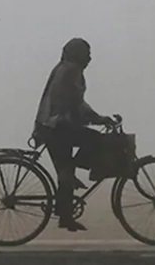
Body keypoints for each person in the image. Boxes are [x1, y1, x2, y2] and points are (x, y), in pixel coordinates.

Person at [31, 37, 116, 232]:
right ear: (78, 55)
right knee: (94, 139)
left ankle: (66, 216)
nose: (90, 59)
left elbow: (75, 103)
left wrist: (96, 118)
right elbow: (74, 104)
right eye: (87, 54)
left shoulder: (63, 68)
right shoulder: (71, 71)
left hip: (50, 126)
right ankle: (77, 174)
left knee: (66, 170)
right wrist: (98, 119)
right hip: (56, 126)